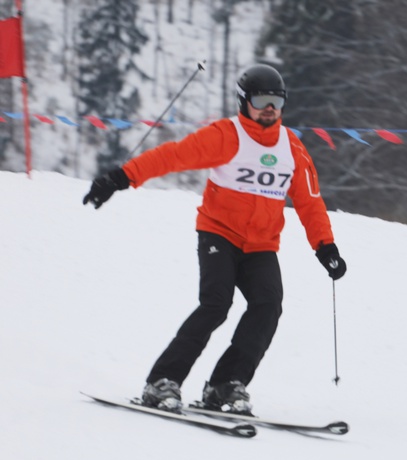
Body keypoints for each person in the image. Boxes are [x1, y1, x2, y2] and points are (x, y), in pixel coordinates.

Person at [83, 64, 346, 415]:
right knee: (215, 304)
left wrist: (325, 246)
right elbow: (172, 156)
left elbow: (309, 201)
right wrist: (121, 177)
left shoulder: (292, 149)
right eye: (261, 100)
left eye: (276, 101)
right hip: (219, 234)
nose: (269, 108)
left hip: (261, 245)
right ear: (243, 102)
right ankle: (162, 382)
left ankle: (225, 385)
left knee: (268, 306)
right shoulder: (227, 135)